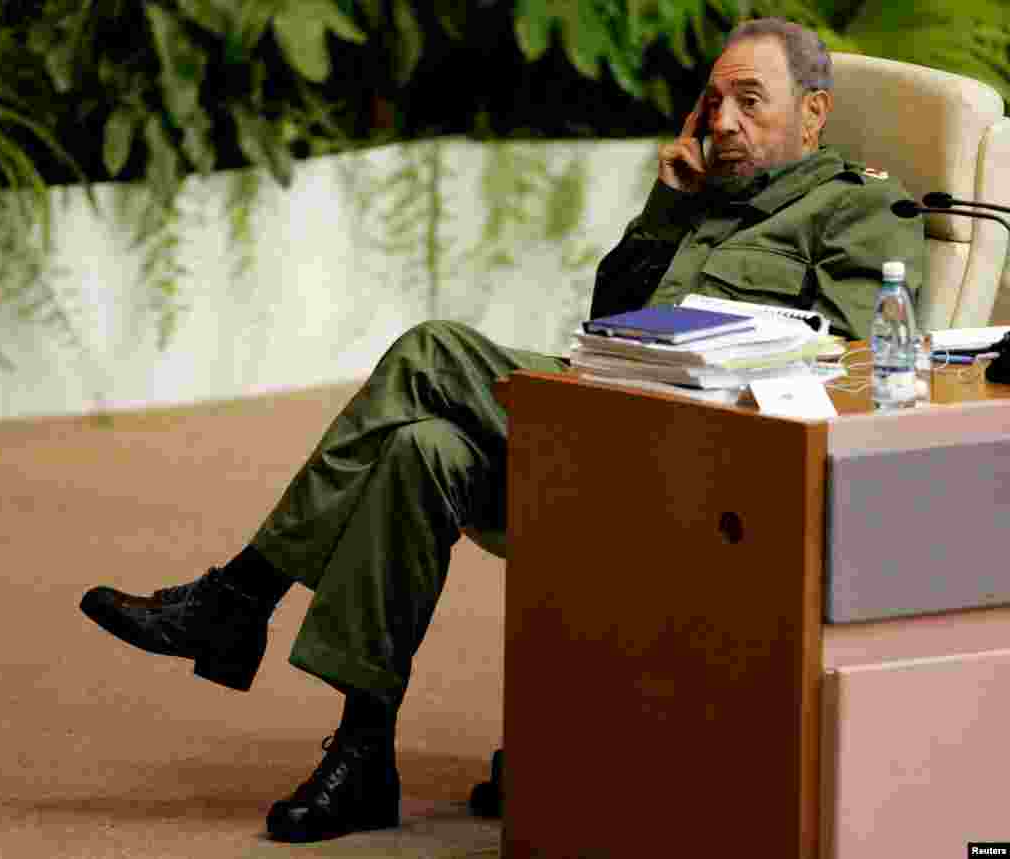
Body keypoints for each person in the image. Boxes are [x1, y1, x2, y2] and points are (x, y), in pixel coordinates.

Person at [79, 17, 924, 844]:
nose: (725, 122)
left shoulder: (862, 209)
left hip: (711, 469)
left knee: (430, 351)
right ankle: (364, 752)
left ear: (813, 113)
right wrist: (668, 207)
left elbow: (847, 370)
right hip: (608, 428)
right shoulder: (699, 198)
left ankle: (239, 598)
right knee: (421, 450)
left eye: (750, 100)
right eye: (712, 103)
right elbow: (611, 321)